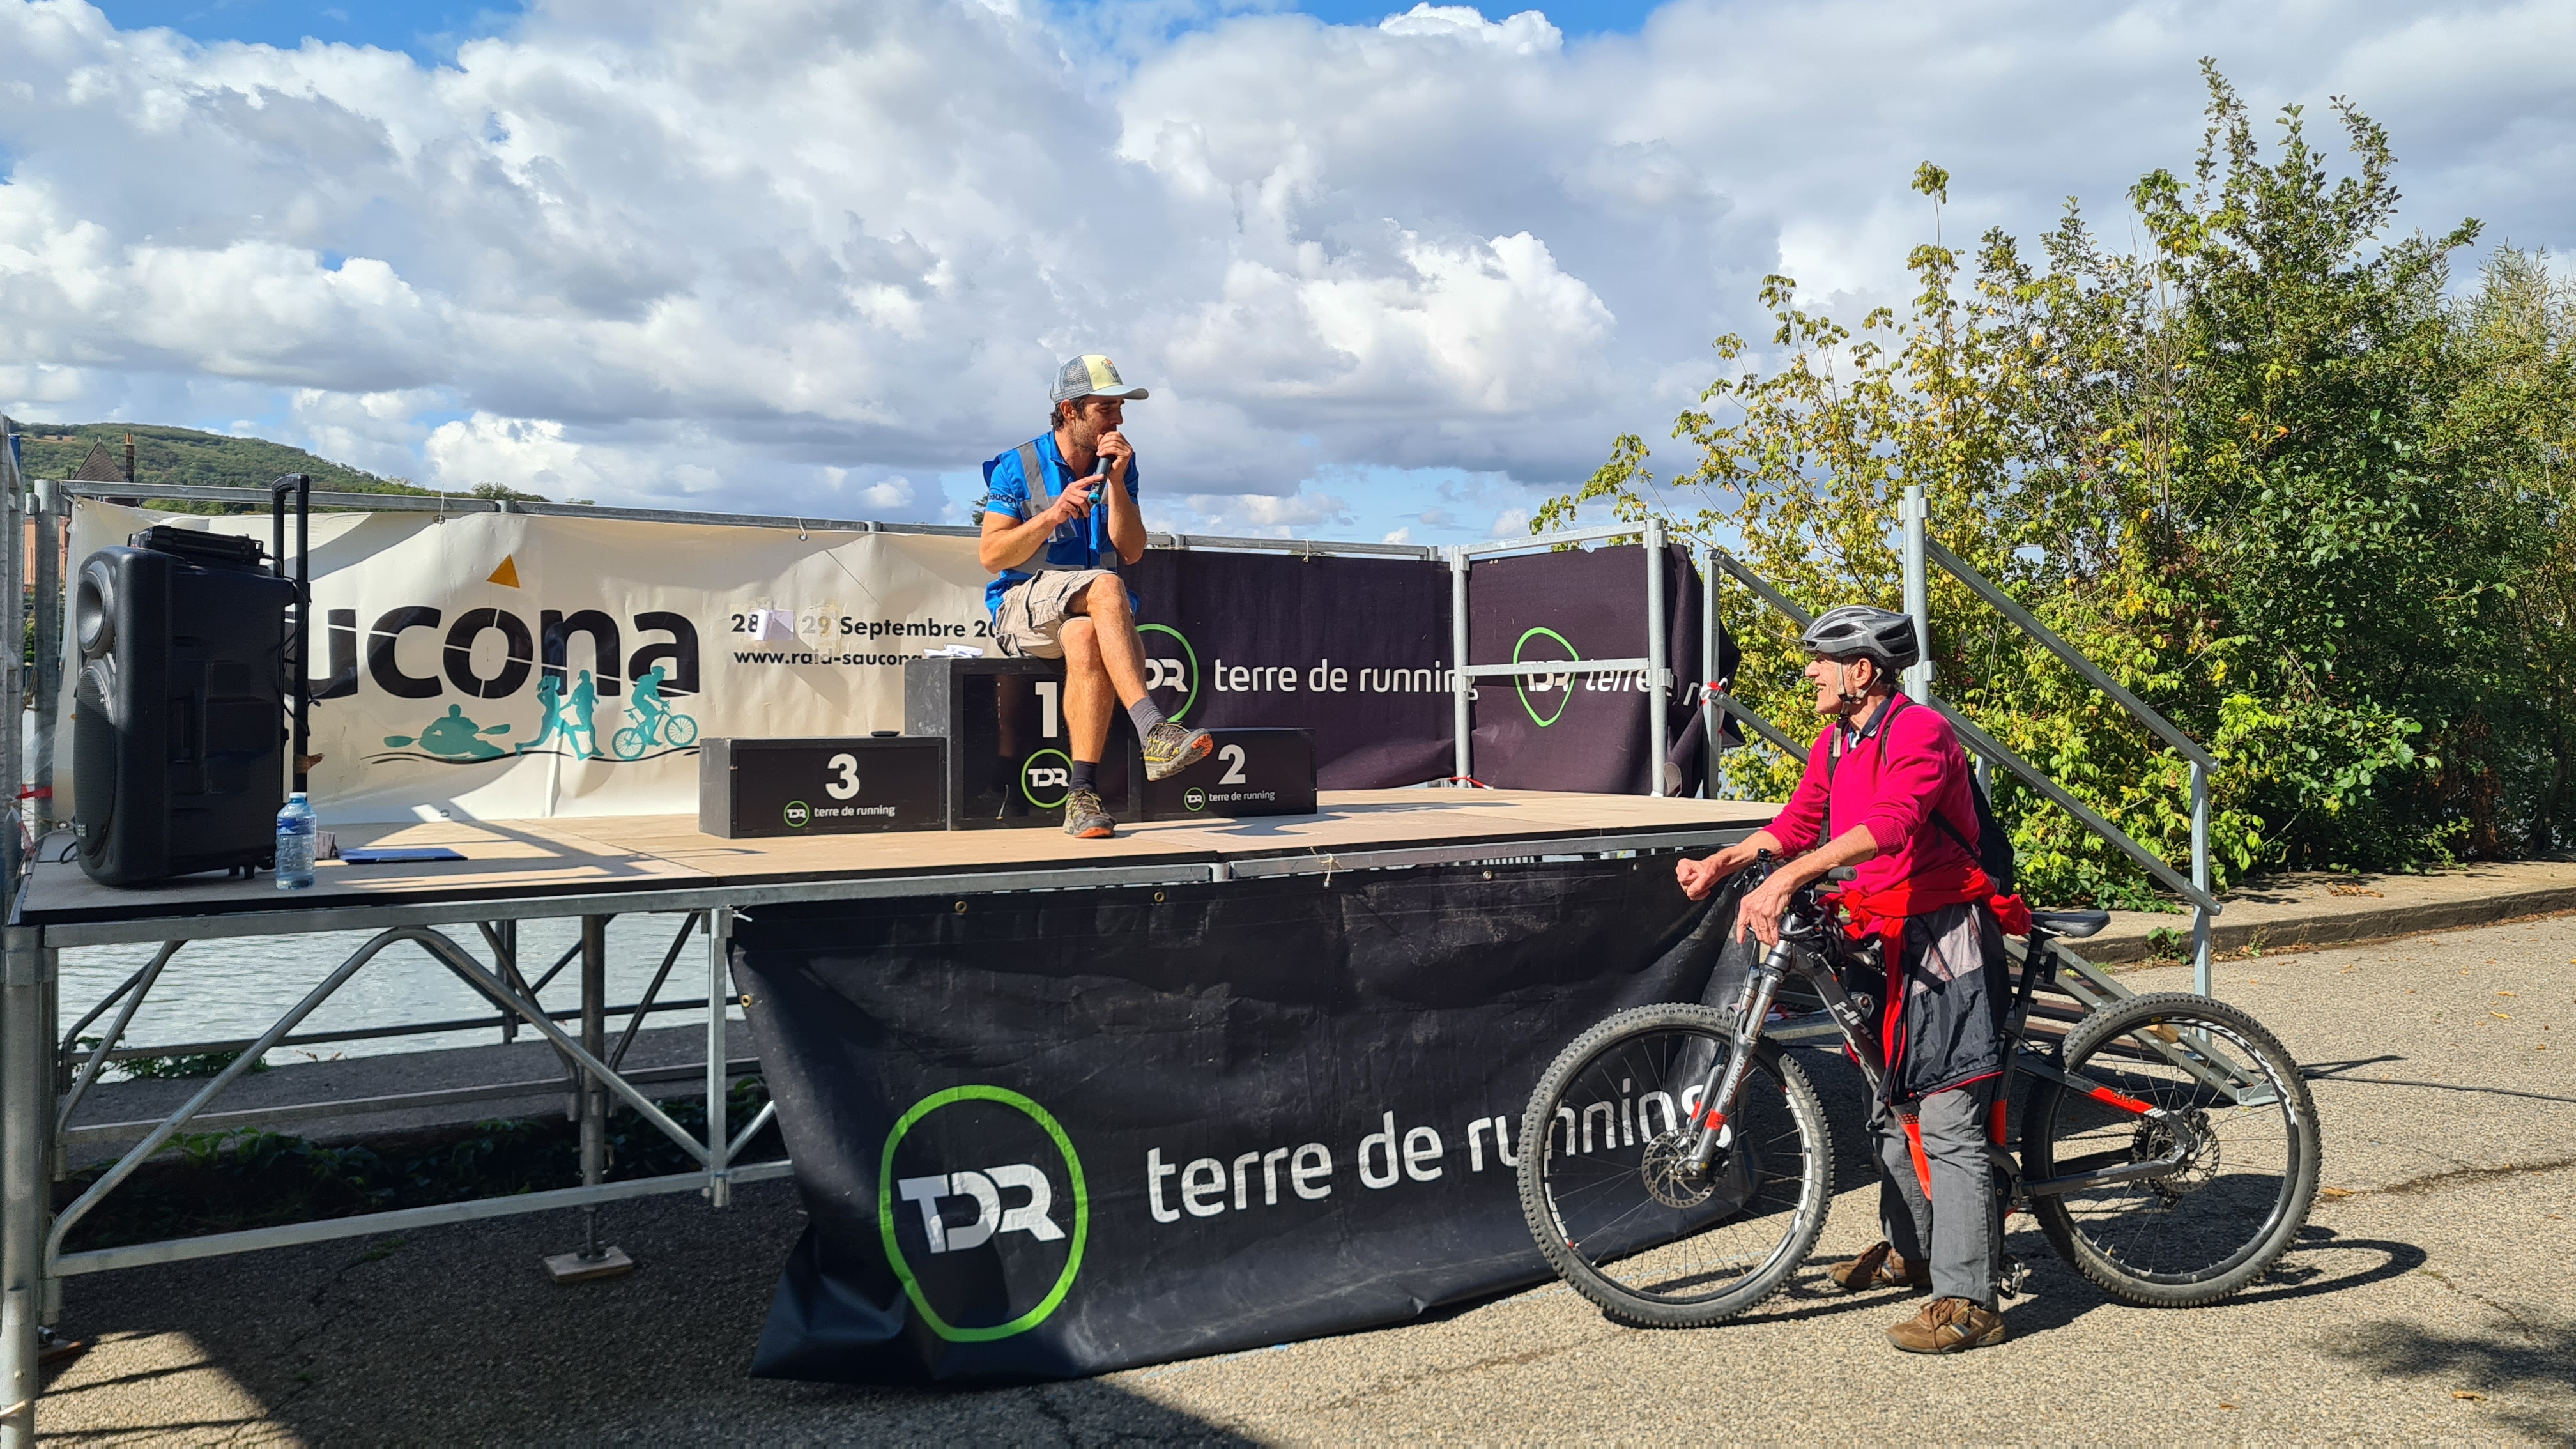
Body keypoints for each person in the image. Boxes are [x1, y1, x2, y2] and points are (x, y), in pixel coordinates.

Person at [1675, 604, 2015, 1354]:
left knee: (1948, 1116)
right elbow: (1799, 823)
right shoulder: (1837, 742)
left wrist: (1791, 878)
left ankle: (1970, 1301)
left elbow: (1893, 824)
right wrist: (1727, 862)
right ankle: (1915, 1251)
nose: (1809, 672)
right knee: (1888, 1102)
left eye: (1820, 660)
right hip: (1882, 935)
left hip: (1945, 934)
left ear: (1862, 671)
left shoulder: (1920, 732)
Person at [979, 354, 1212, 837]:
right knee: (1106, 586)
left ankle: (1081, 796)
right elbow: (991, 555)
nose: (1118, 419)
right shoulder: (1016, 465)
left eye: (1120, 407)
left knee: (1085, 635)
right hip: (1020, 608)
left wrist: (1119, 485)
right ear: (1070, 411)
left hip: (1083, 613)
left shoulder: (1121, 465)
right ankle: (1152, 728)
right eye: (1106, 408)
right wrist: (1051, 515)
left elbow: (1131, 550)